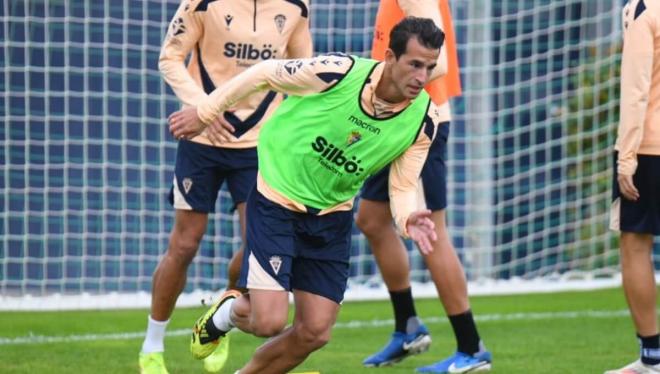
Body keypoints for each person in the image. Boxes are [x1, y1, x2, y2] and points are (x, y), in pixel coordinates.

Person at [168, 17, 446, 374]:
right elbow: (264, 72)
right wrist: (206, 112)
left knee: (315, 331)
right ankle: (223, 317)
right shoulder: (339, 72)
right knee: (267, 322)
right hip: (277, 196)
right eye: (415, 64)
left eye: (430, 66)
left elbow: (404, 186)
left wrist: (407, 219)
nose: (423, 77)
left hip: (332, 214)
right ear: (390, 57)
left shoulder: (424, 120)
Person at [139, 0, 312, 373]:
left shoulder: (297, 7)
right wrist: (203, 108)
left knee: (258, 246)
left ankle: (221, 316)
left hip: (260, 143)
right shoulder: (202, 3)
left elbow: (304, 74)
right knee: (185, 244)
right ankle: (152, 346)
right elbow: (170, 57)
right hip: (202, 140)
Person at [358, 1, 492, 373]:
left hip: (417, 124)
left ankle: (471, 347)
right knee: (371, 219)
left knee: (433, 234)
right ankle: (408, 327)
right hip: (393, 122)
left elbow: (440, 63)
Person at [605, 1, 660, 373]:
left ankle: (652, 357)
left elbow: (636, 88)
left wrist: (626, 158)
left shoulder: (644, 10)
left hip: (650, 146)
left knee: (635, 244)